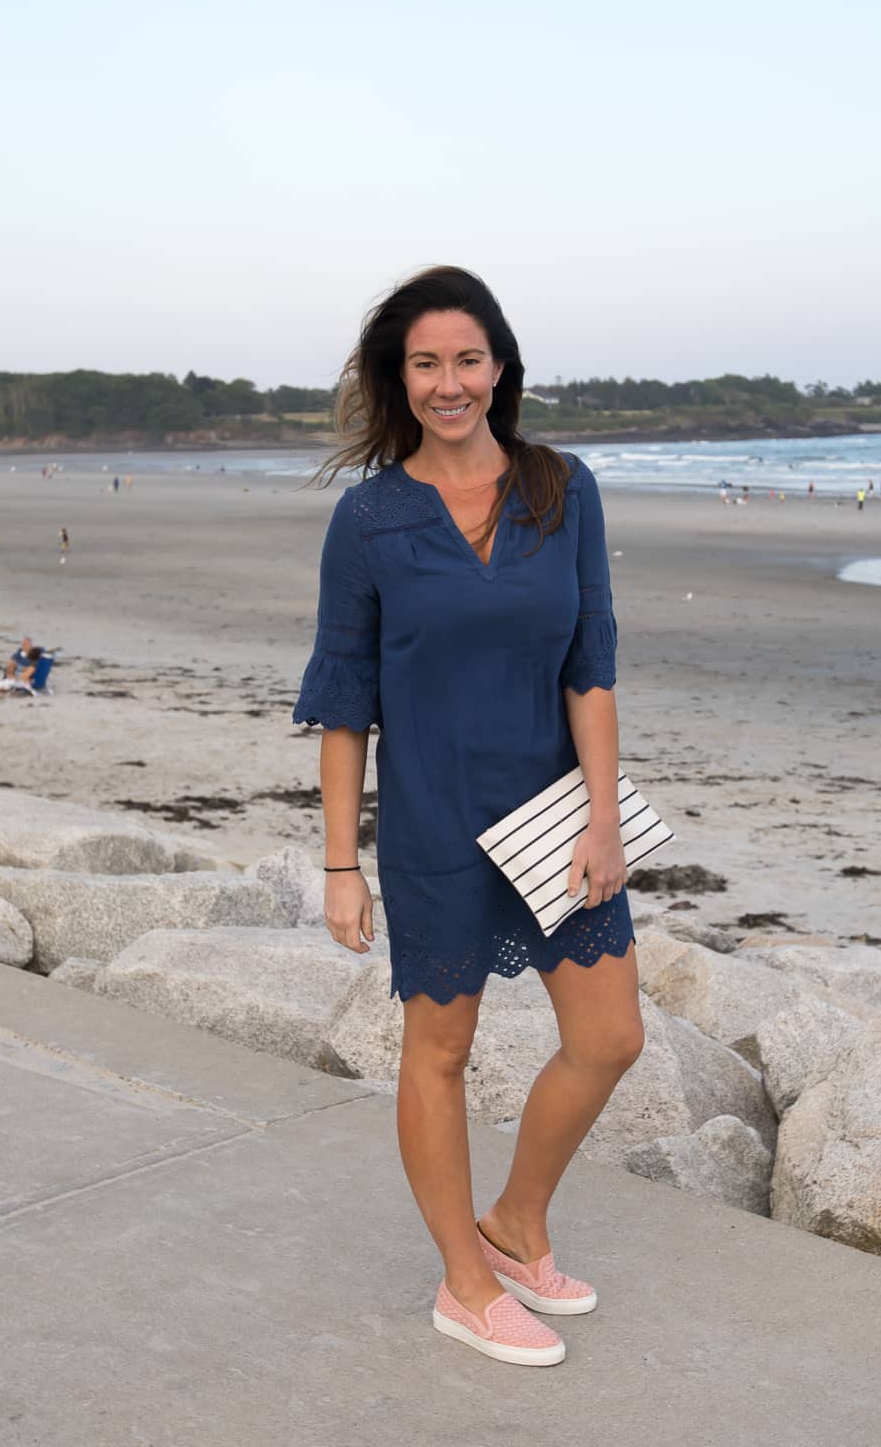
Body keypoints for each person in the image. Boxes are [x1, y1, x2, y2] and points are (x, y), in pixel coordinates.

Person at [294, 266, 640, 1369]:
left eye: (468, 359)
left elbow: (591, 664)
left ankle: (516, 1223)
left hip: (548, 811)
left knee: (609, 1037)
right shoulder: (370, 520)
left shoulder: (560, 488)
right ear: (402, 380)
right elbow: (343, 699)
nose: (451, 382)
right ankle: (461, 1282)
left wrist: (602, 818)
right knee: (437, 1051)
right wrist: (341, 865)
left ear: (499, 366)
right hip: (435, 818)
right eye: (427, 363)